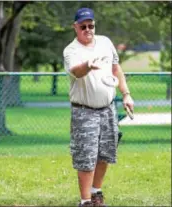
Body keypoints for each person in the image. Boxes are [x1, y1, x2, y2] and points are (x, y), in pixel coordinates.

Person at [63, 7, 134, 207]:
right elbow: (76, 72)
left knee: (105, 153)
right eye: (83, 26)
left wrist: (126, 94)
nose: (88, 29)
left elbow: (115, 68)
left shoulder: (105, 42)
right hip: (84, 110)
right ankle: (85, 201)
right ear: (75, 27)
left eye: (91, 25)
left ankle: (96, 193)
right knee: (86, 156)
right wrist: (88, 66)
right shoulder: (72, 50)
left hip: (108, 108)